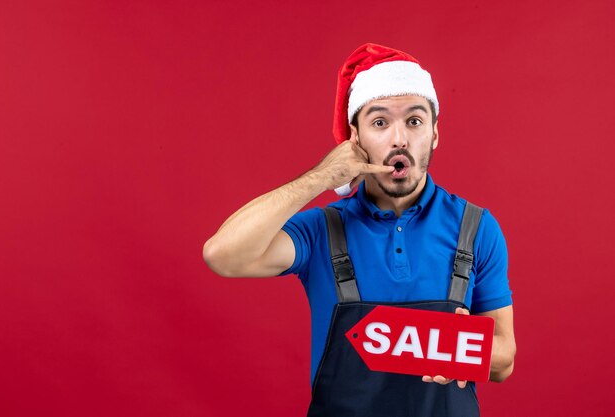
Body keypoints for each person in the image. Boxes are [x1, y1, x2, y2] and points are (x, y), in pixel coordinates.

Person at [203, 43, 516, 416]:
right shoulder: (322, 230)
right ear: (356, 139)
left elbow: (504, 361)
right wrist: (322, 176)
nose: (399, 139)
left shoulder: (475, 227)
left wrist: (456, 347)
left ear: (434, 133)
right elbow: (222, 255)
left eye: (414, 121)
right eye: (380, 123)